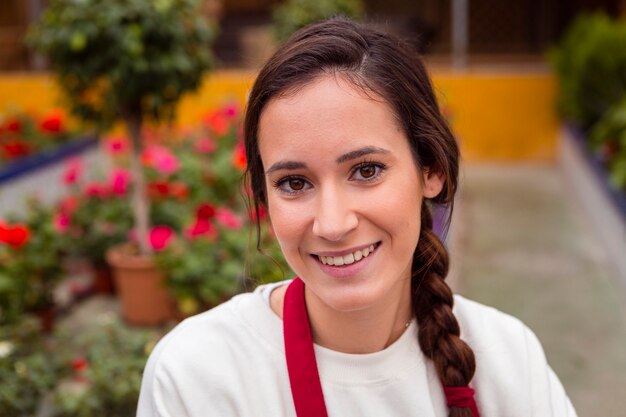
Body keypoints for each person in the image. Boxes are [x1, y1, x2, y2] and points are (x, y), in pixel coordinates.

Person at [137, 18, 577, 417]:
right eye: (294, 182)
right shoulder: (196, 378)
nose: (332, 224)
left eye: (366, 171)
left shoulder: (507, 358)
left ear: (432, 170)